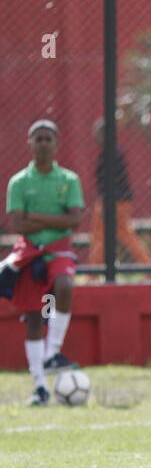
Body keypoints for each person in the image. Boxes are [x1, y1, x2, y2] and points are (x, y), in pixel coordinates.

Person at [2, 119, 84, 406]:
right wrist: (53, 221)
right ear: (29, 143)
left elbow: (74, 220)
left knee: (63, 286)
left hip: (59, 250)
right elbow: (18, 226)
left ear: (57, 143)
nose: (44, 143)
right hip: (30, 251)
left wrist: (36, 216)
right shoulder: (19, 182)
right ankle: (40, 386)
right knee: (36, 315)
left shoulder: (69, 180)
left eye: (48, 138)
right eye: (38, 139)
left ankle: (53, 353)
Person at [89, 116, 151, 266]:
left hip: (112, 202)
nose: (95, 136)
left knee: (100, 237)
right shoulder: (114, 151)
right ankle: (148, 266)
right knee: (126, 235)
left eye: (98, 133)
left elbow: (109, 181)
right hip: (121, 201)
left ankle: (94, 272)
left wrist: (106, 204)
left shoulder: (110, 153)